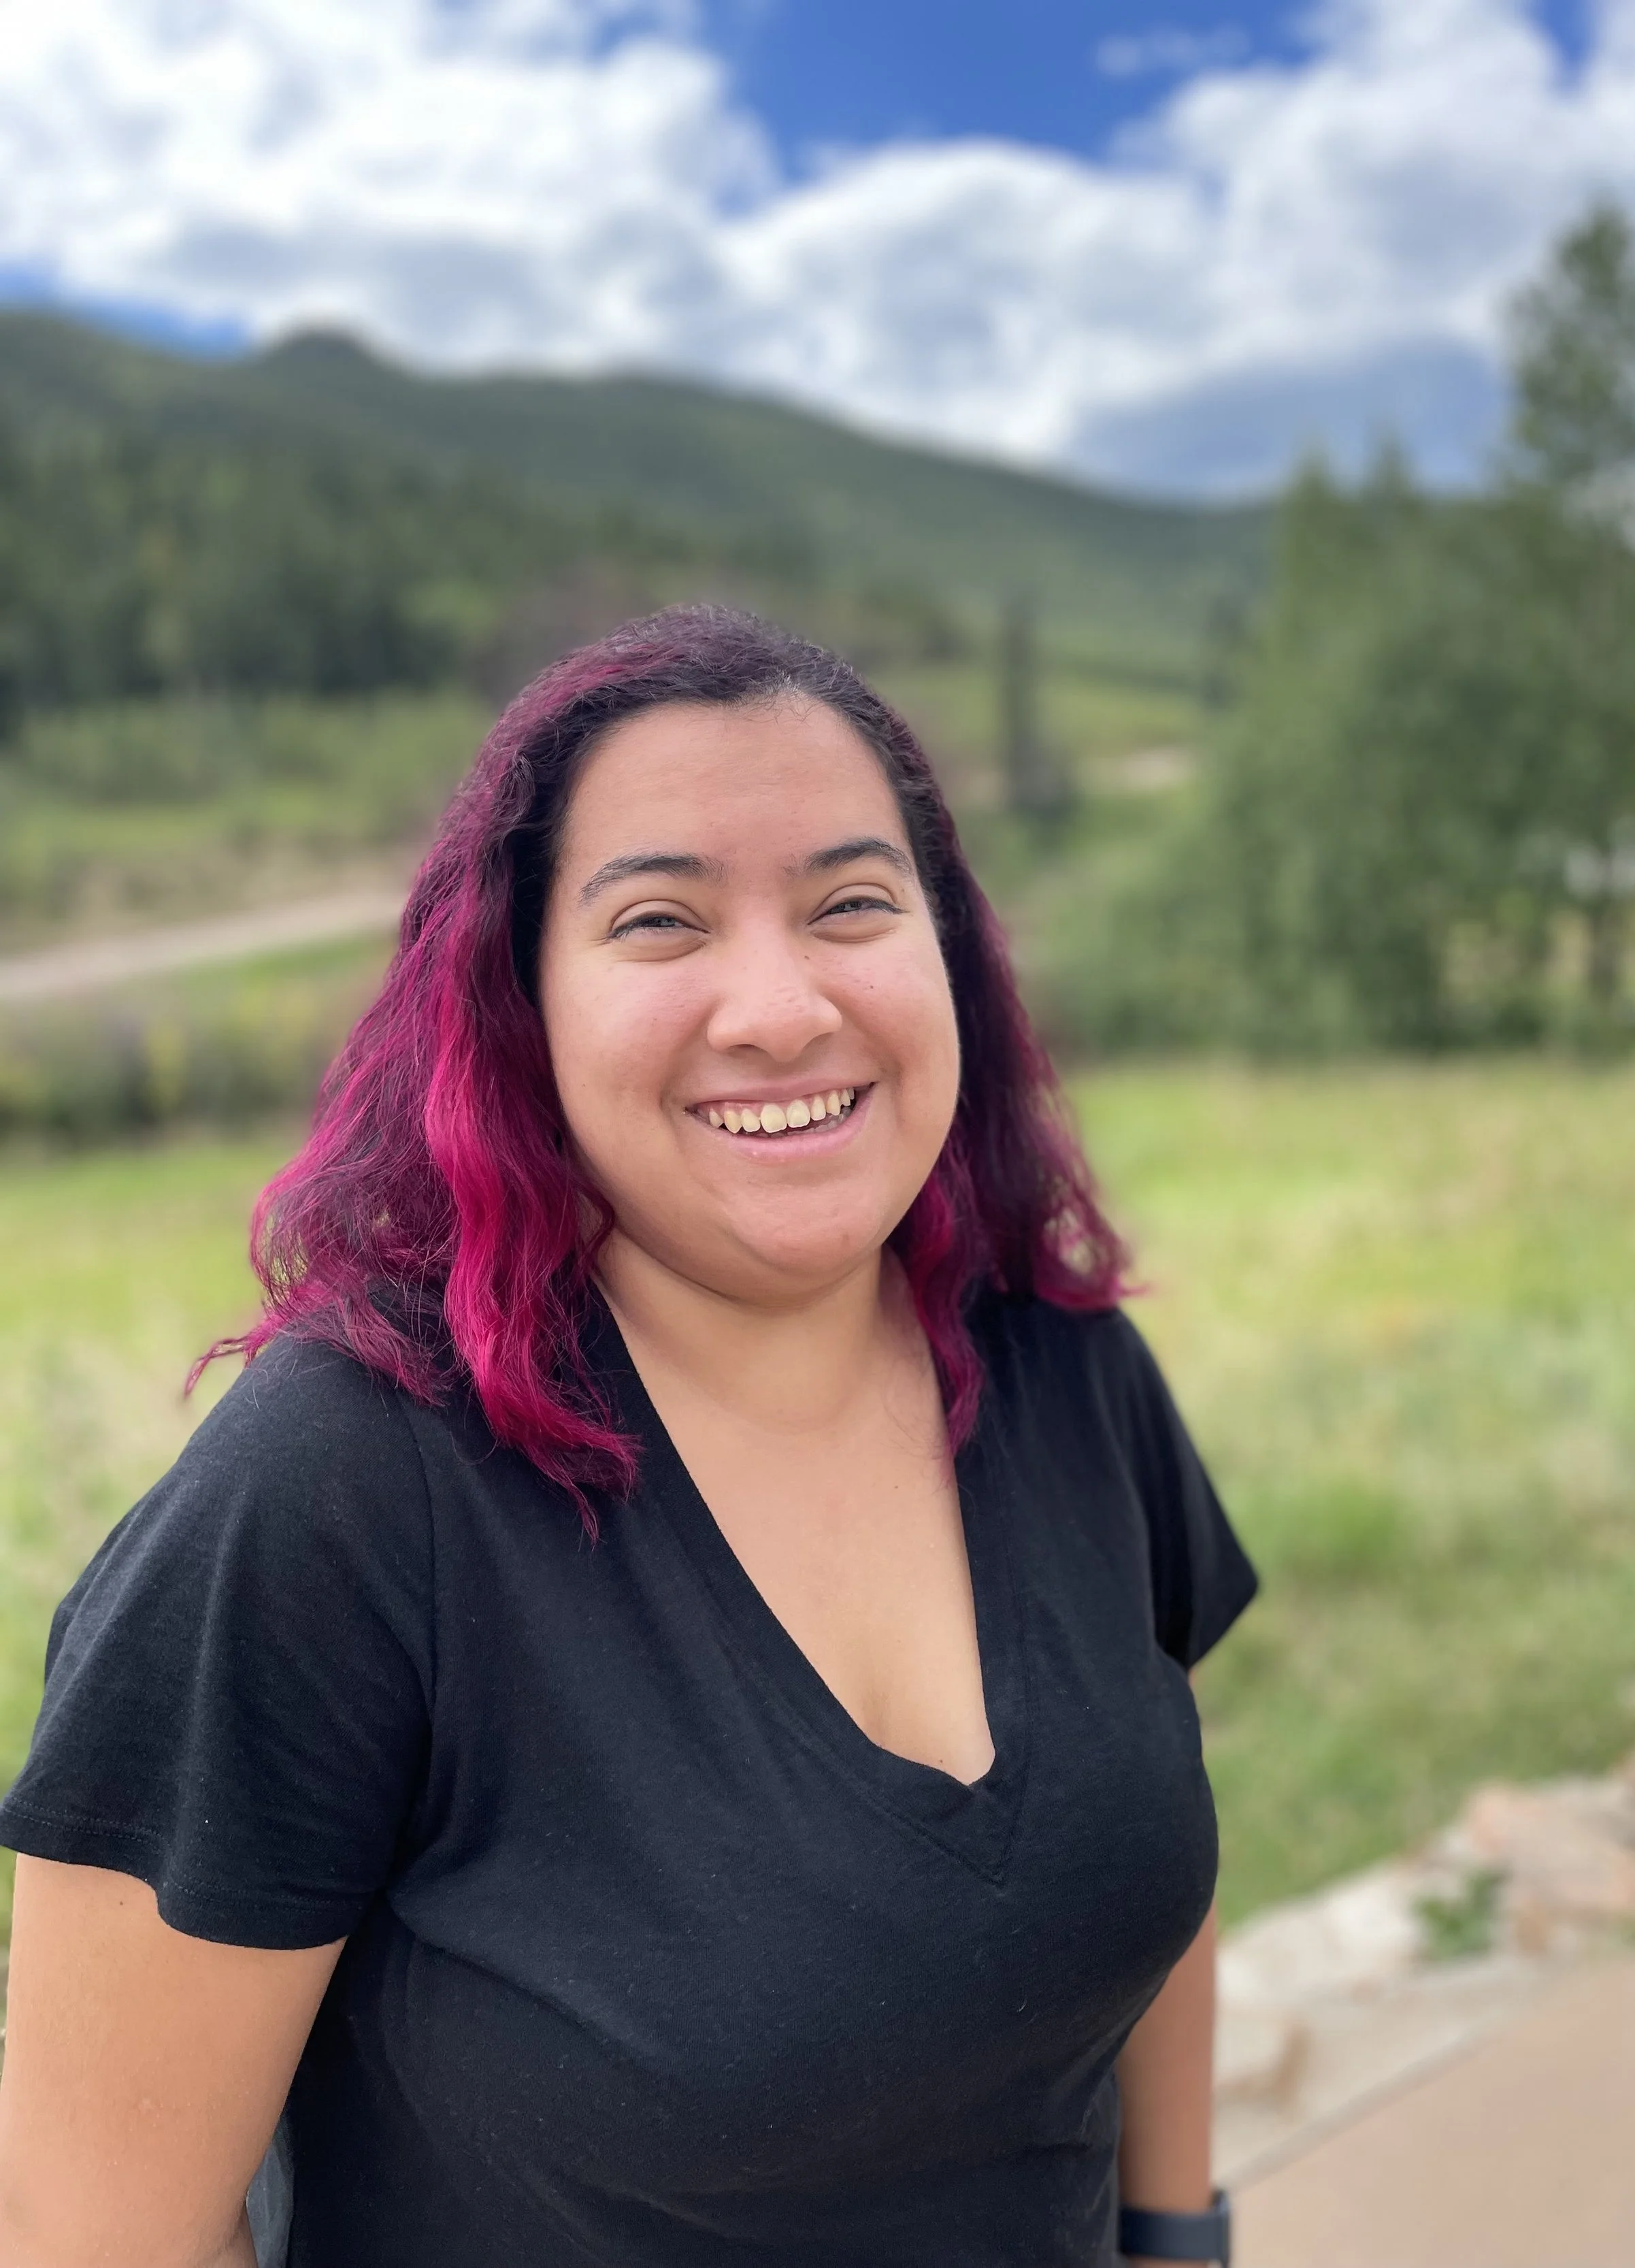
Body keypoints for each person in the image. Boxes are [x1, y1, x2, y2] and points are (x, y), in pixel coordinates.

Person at [0, 607, 1255, 2268]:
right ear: (518, 1002)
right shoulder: (339, 1495)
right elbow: (95, 2232)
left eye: (851, 903)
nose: (779, 1007)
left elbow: (1146, 1886)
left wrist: (1177, 2239)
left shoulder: (1064, 1371)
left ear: (946, 952)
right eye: (660, 919)